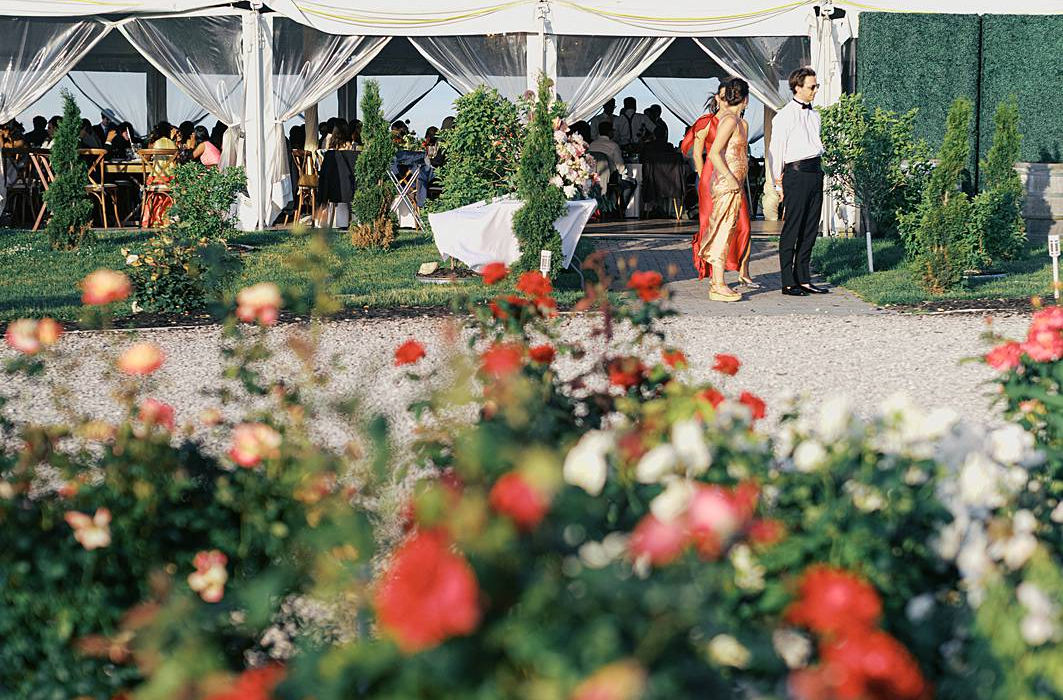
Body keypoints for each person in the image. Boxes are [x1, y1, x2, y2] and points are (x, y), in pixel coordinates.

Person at [688, 81, 755, 288]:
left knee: (743, 225)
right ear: (718, 98)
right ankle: (715, 276)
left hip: (735, 177)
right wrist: (702, 176)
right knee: (715, 225)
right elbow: (699, 154)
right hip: (713, 175)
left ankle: (742, 269)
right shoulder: (708, 122)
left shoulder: (739, 122)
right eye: (724, 95)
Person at [769, 66, 828, 296]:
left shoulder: (815, 115)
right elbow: (776, 150)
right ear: (797, 87)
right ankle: (787, 281)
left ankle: (804, 278)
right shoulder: (783, 117)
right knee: (792, 228)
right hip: (795, 174)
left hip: (815, 172)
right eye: (812, 87)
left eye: (816, 86)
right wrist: (777, 183)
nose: (815, 91)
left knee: (810, 228)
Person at [589, 121, 636, 212]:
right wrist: (626, 174)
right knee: (631, 184)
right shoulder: (613, 145)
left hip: (592, 178)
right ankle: (619, 209)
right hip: (609, 178)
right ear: (610, 132)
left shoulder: (592, 145)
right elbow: (620, 166)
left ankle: (610, 206)